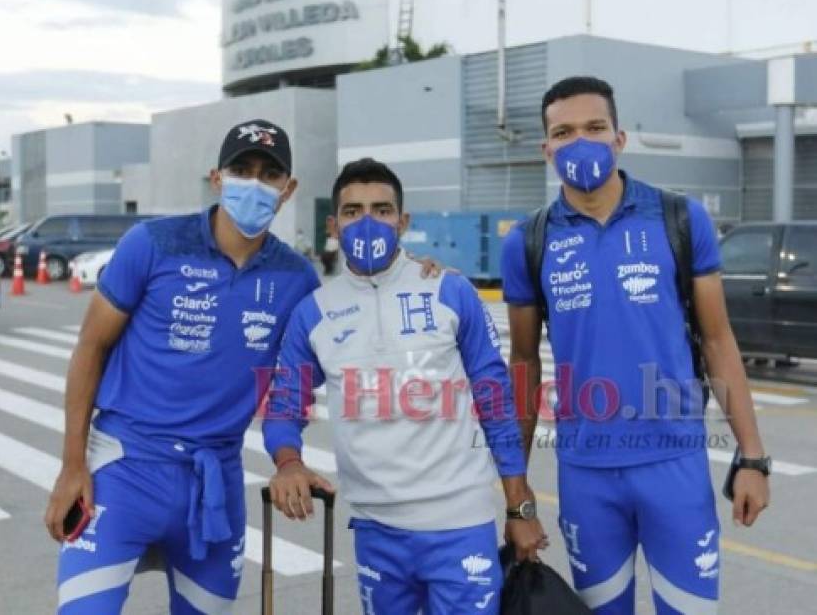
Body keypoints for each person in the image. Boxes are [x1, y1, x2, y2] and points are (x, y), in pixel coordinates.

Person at [501, 76, 770, 614]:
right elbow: (524, 364)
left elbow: (718, 340)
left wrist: (753, 458)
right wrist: (518, 498)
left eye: (595, 127)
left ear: (619, 138)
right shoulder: (528, 241)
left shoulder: (678, 218)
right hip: (585, 474)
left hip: (676, 467)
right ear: (547, 148)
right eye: (565, 131)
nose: (581, 142)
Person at [44, 119, 322, 614]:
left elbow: (300, 374)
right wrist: (71, 466)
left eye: (268, 174)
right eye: (242, 169)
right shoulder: (153, 243)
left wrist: (289, 459)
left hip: (214, 481)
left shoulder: (297, 278)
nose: (254, 184)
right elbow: (90, 347)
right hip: (123, 470)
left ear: (288, 189)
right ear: (217, 178)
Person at [263, 158, 548, 615]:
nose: (368, 222)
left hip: (462, 525)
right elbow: (285, 403)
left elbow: (495, 400)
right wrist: (288, 461)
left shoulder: (450, 292)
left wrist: (520, 507)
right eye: (353, 212)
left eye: (382, 209)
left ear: (403, 221)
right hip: (377, 533)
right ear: (334, 224)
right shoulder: (313, 311)